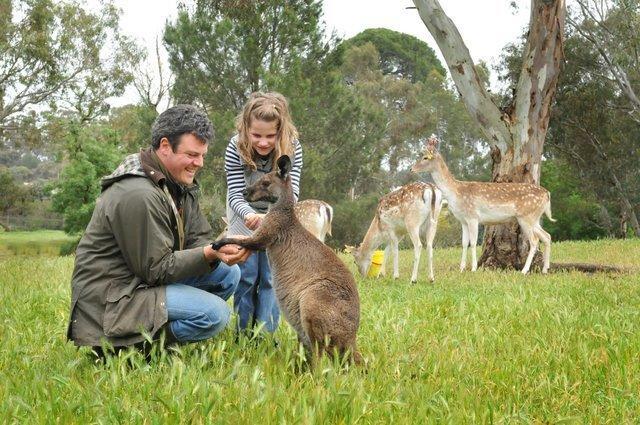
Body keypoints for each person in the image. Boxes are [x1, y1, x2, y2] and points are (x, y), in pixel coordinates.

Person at [67, 104, 250, 354]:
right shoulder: (139, 193)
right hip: (113, 302)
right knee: (215, 315)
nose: (200, 163)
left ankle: (153, 334)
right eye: (192, 154)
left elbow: (198, 238)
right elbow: (155, 269)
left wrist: (220, 248)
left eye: (202, 155)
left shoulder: (177, 184)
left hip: (140, 283)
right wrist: (208, 253)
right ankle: (128, 348)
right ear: (165, 146)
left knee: (228, 273)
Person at [224, 92, 303, 336]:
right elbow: (236, 192)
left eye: (271, 136)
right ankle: (242, 333)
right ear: (246, 128)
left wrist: (269, 220)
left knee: (270, 277)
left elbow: (292, 192)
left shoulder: (293, 147)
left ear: (281, 131)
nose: (263, 142)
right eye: (256, 135)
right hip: (242, 214)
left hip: (276, 215)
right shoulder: (235, 147)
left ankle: (265, 334)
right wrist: (249, 215)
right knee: (246, 276)